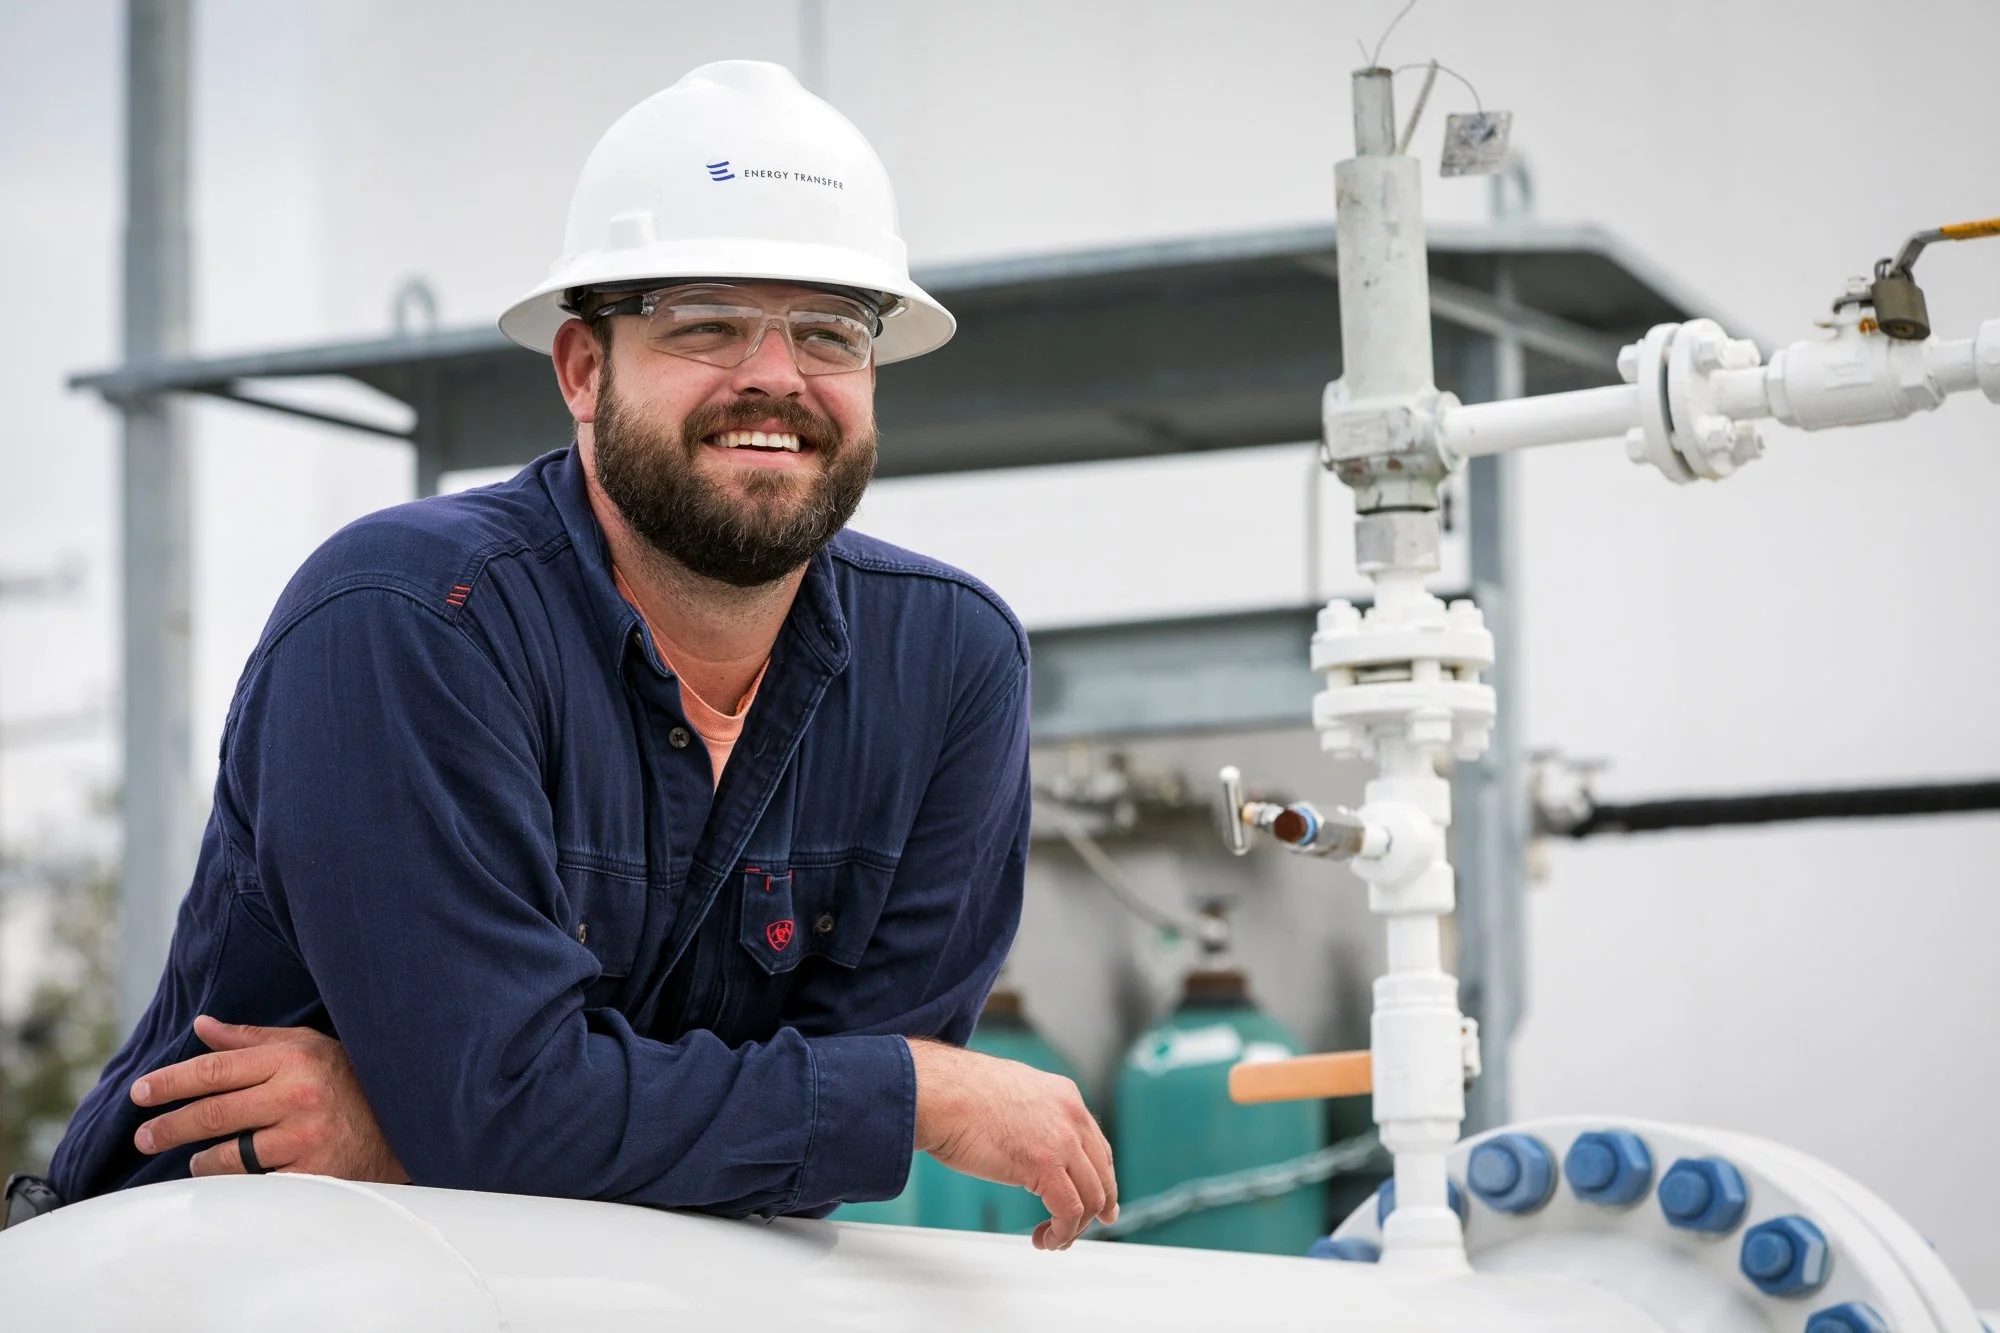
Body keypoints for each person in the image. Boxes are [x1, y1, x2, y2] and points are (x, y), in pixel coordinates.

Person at [35, 60, 1116, 1249]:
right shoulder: (411, 619)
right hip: (219, 1279)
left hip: (612, 1287)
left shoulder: (952, 667)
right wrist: (909, 1097)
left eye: (828, 332)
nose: (774, 375)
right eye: (704, 326)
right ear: (584, 370)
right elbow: (540, 1111)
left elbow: (799, 1173)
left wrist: (414, 1136)